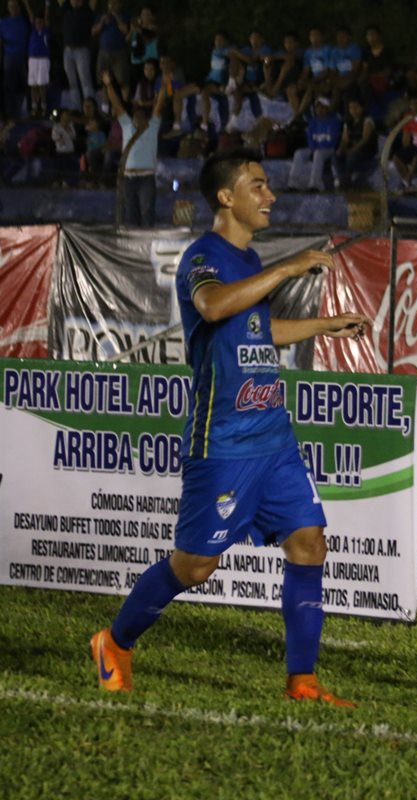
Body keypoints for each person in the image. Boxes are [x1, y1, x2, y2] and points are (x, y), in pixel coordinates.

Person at [89, 147, 370, 705]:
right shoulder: (204, 256)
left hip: (274, 439)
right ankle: (114, 643)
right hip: (223, 443)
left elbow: (258, 330)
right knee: (195, 567)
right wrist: (288, 268)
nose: (270, 195)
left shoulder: (250, 259)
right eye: (259, 185)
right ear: (226, 197)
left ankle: (302, 681)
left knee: (310, 542)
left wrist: (325, 324)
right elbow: (214, 307)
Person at [102, 67, 164, 226]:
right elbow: (117, 105)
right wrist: (109, 85)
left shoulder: (152, 126)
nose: (137, 118)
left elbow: (159, 105)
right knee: (130, 214)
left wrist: (165, 84)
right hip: (128, 177)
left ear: (146, 118)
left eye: (141, 116)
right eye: (135, 116)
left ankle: (147, 243)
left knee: (147, 211)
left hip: (146, 177)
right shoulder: (127, 125)